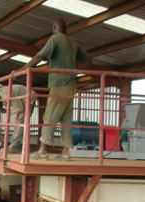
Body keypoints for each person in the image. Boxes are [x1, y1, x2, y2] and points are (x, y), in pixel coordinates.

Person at [13, 19, 89, 160]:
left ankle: (42, 150)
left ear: (54, 27)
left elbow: (39, 56)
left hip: (59, 83)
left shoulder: (55, 39)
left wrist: (23, 69)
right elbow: (87, 59)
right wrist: (76, 72)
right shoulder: (72, 42)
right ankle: (65, 152)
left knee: (50, 116)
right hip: (71, 85)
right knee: (66, 119)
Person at [0, 85, 36, 154]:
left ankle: (14, 147)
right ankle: (13, 146)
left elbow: (20, 108)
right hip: (23, 99)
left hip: (29, 98)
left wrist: (6, 111)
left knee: (21, 122)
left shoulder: (6, 95)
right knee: (17, 124)